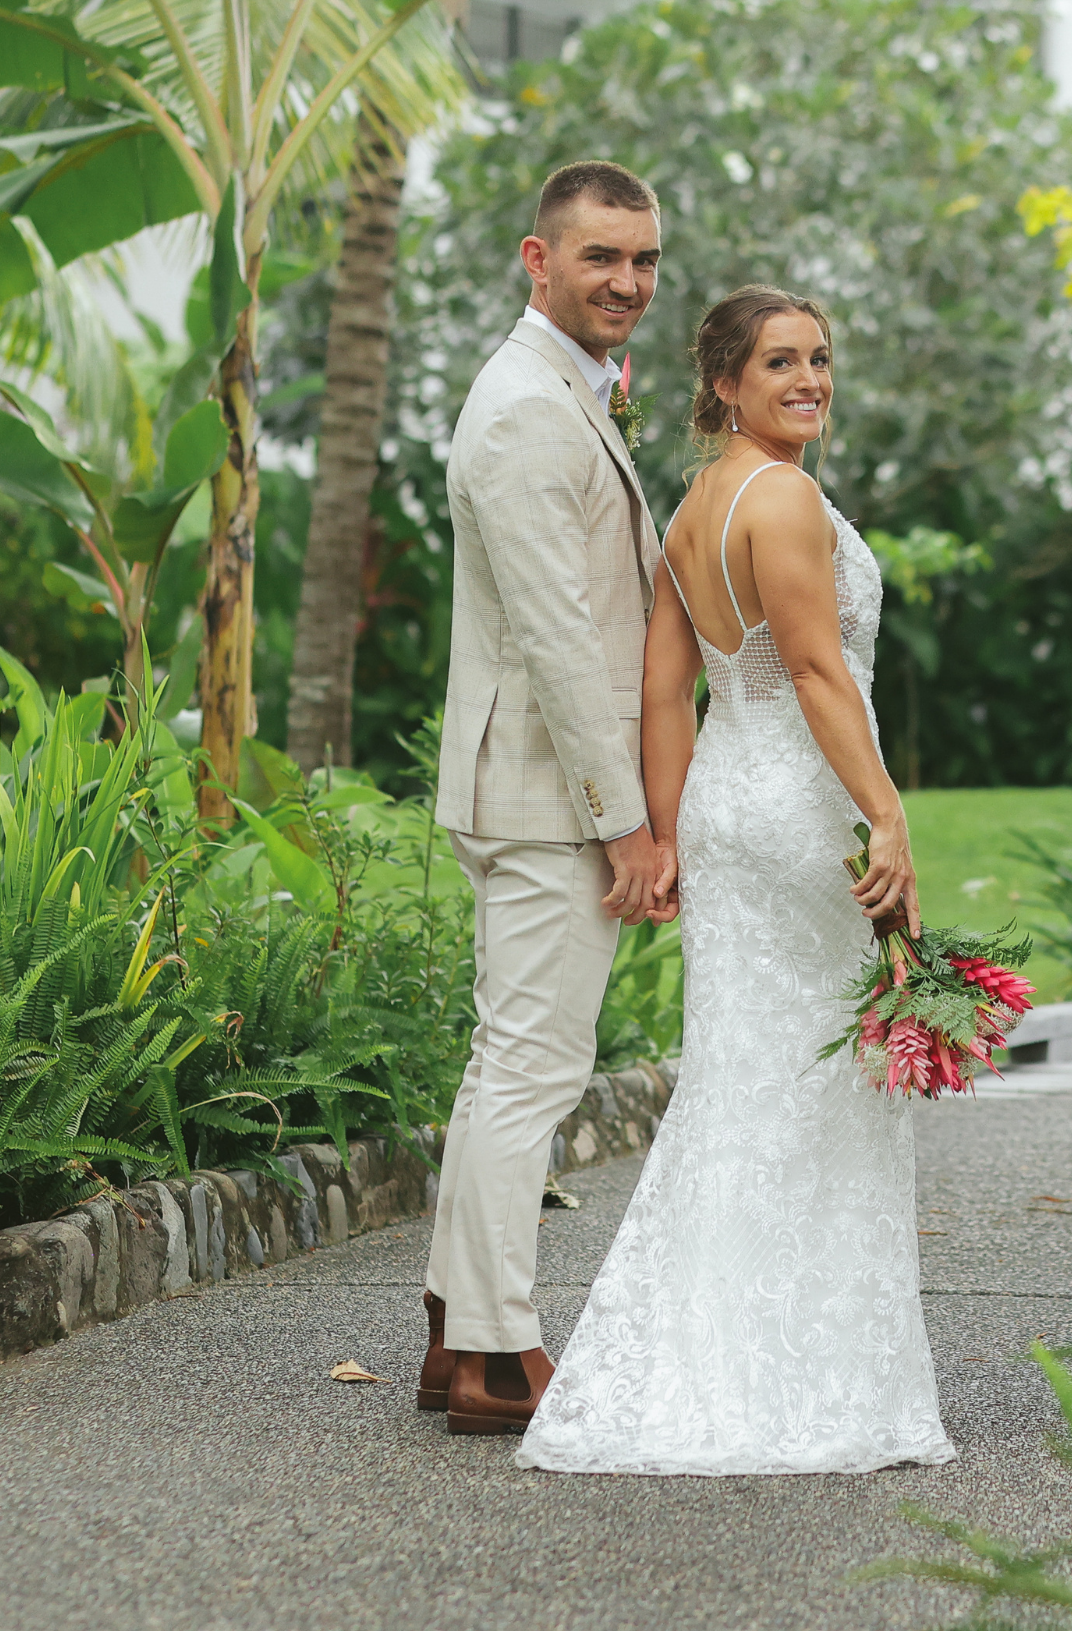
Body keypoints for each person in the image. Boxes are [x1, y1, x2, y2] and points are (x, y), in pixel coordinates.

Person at [516, 286, 956, 1475]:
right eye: (780, 363)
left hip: (724, 809)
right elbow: (817, 672)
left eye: (819, 358)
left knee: (738, 1078)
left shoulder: (693, 509)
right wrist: (885, 815)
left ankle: (704, 1357)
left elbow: (667, 693)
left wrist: (661, 837)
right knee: (820, 1086)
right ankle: (811, 1378)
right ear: (724, 385)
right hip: (804, 805)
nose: (809, 379)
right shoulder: (788, 500)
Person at [419, 160, 671, 1435]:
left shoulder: (561, 393)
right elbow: (562, 640)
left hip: (525, 786)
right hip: (543, 799)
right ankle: (497, 1354)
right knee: (533, 1069)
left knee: (504, 1065)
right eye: (599, 260)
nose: (626, 283)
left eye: (642, 262)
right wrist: (622, 820)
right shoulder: (525, 408)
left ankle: (451, 1328)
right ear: (537, 258)